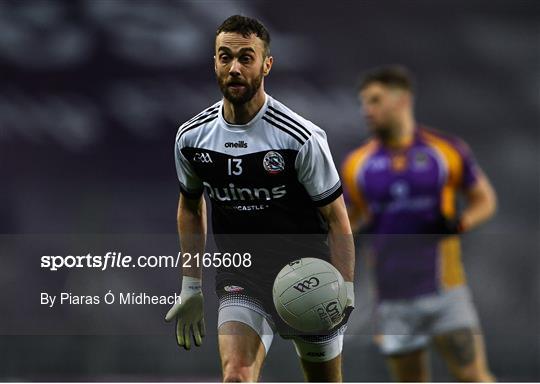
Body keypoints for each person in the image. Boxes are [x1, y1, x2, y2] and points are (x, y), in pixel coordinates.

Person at [165, 15, 355, 382]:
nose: (234, 67)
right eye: (225, 57)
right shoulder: (191, 137)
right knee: (236, 375)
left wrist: (345, 288)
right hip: (242, 276)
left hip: (309, 278)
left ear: (267, 64)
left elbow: (336, 217)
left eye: (246, 57)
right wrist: (190, 286)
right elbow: (190, 207)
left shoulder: (300, 137)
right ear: (215, 61)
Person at [341, 66, 497, 382]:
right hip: (393, 298)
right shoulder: (358, 164)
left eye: (374, 101)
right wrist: (352, 232)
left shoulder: (445, 151)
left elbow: (484, 200)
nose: (366, 110)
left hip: (445, 292)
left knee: (473, 377)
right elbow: (348, 219)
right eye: (363, 103)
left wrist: (461, 222)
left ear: (402, 101)